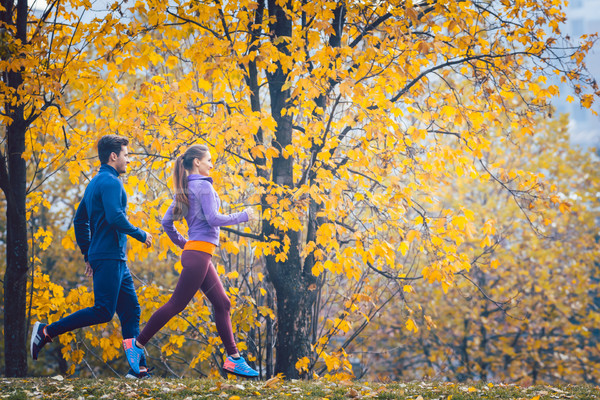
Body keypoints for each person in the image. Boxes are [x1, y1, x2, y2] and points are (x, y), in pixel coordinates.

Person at [122, 144, 259, 378]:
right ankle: (137, 344)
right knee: (177, 304)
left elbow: (167, 223)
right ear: (197, 162)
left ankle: (234, 359)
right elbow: (213, 218)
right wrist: (243, 215)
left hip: (198, 254)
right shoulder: (203, 187)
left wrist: (184, 243)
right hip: (198, 255)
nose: (211, 164)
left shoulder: (186, 188)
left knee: (223, 304)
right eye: (209, 160)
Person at [30, 134, 153, 379]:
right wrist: (141, 234)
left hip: (112, 257)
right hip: (109, 256)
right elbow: (115, 217)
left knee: (131, 310)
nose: (128, 161)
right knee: (103, 311)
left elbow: (79, 220)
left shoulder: (94, 183)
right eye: (126, 156)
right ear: (114, 156)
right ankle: (46, 331)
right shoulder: (111, 183)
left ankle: (136, 369)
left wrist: (88, 253)